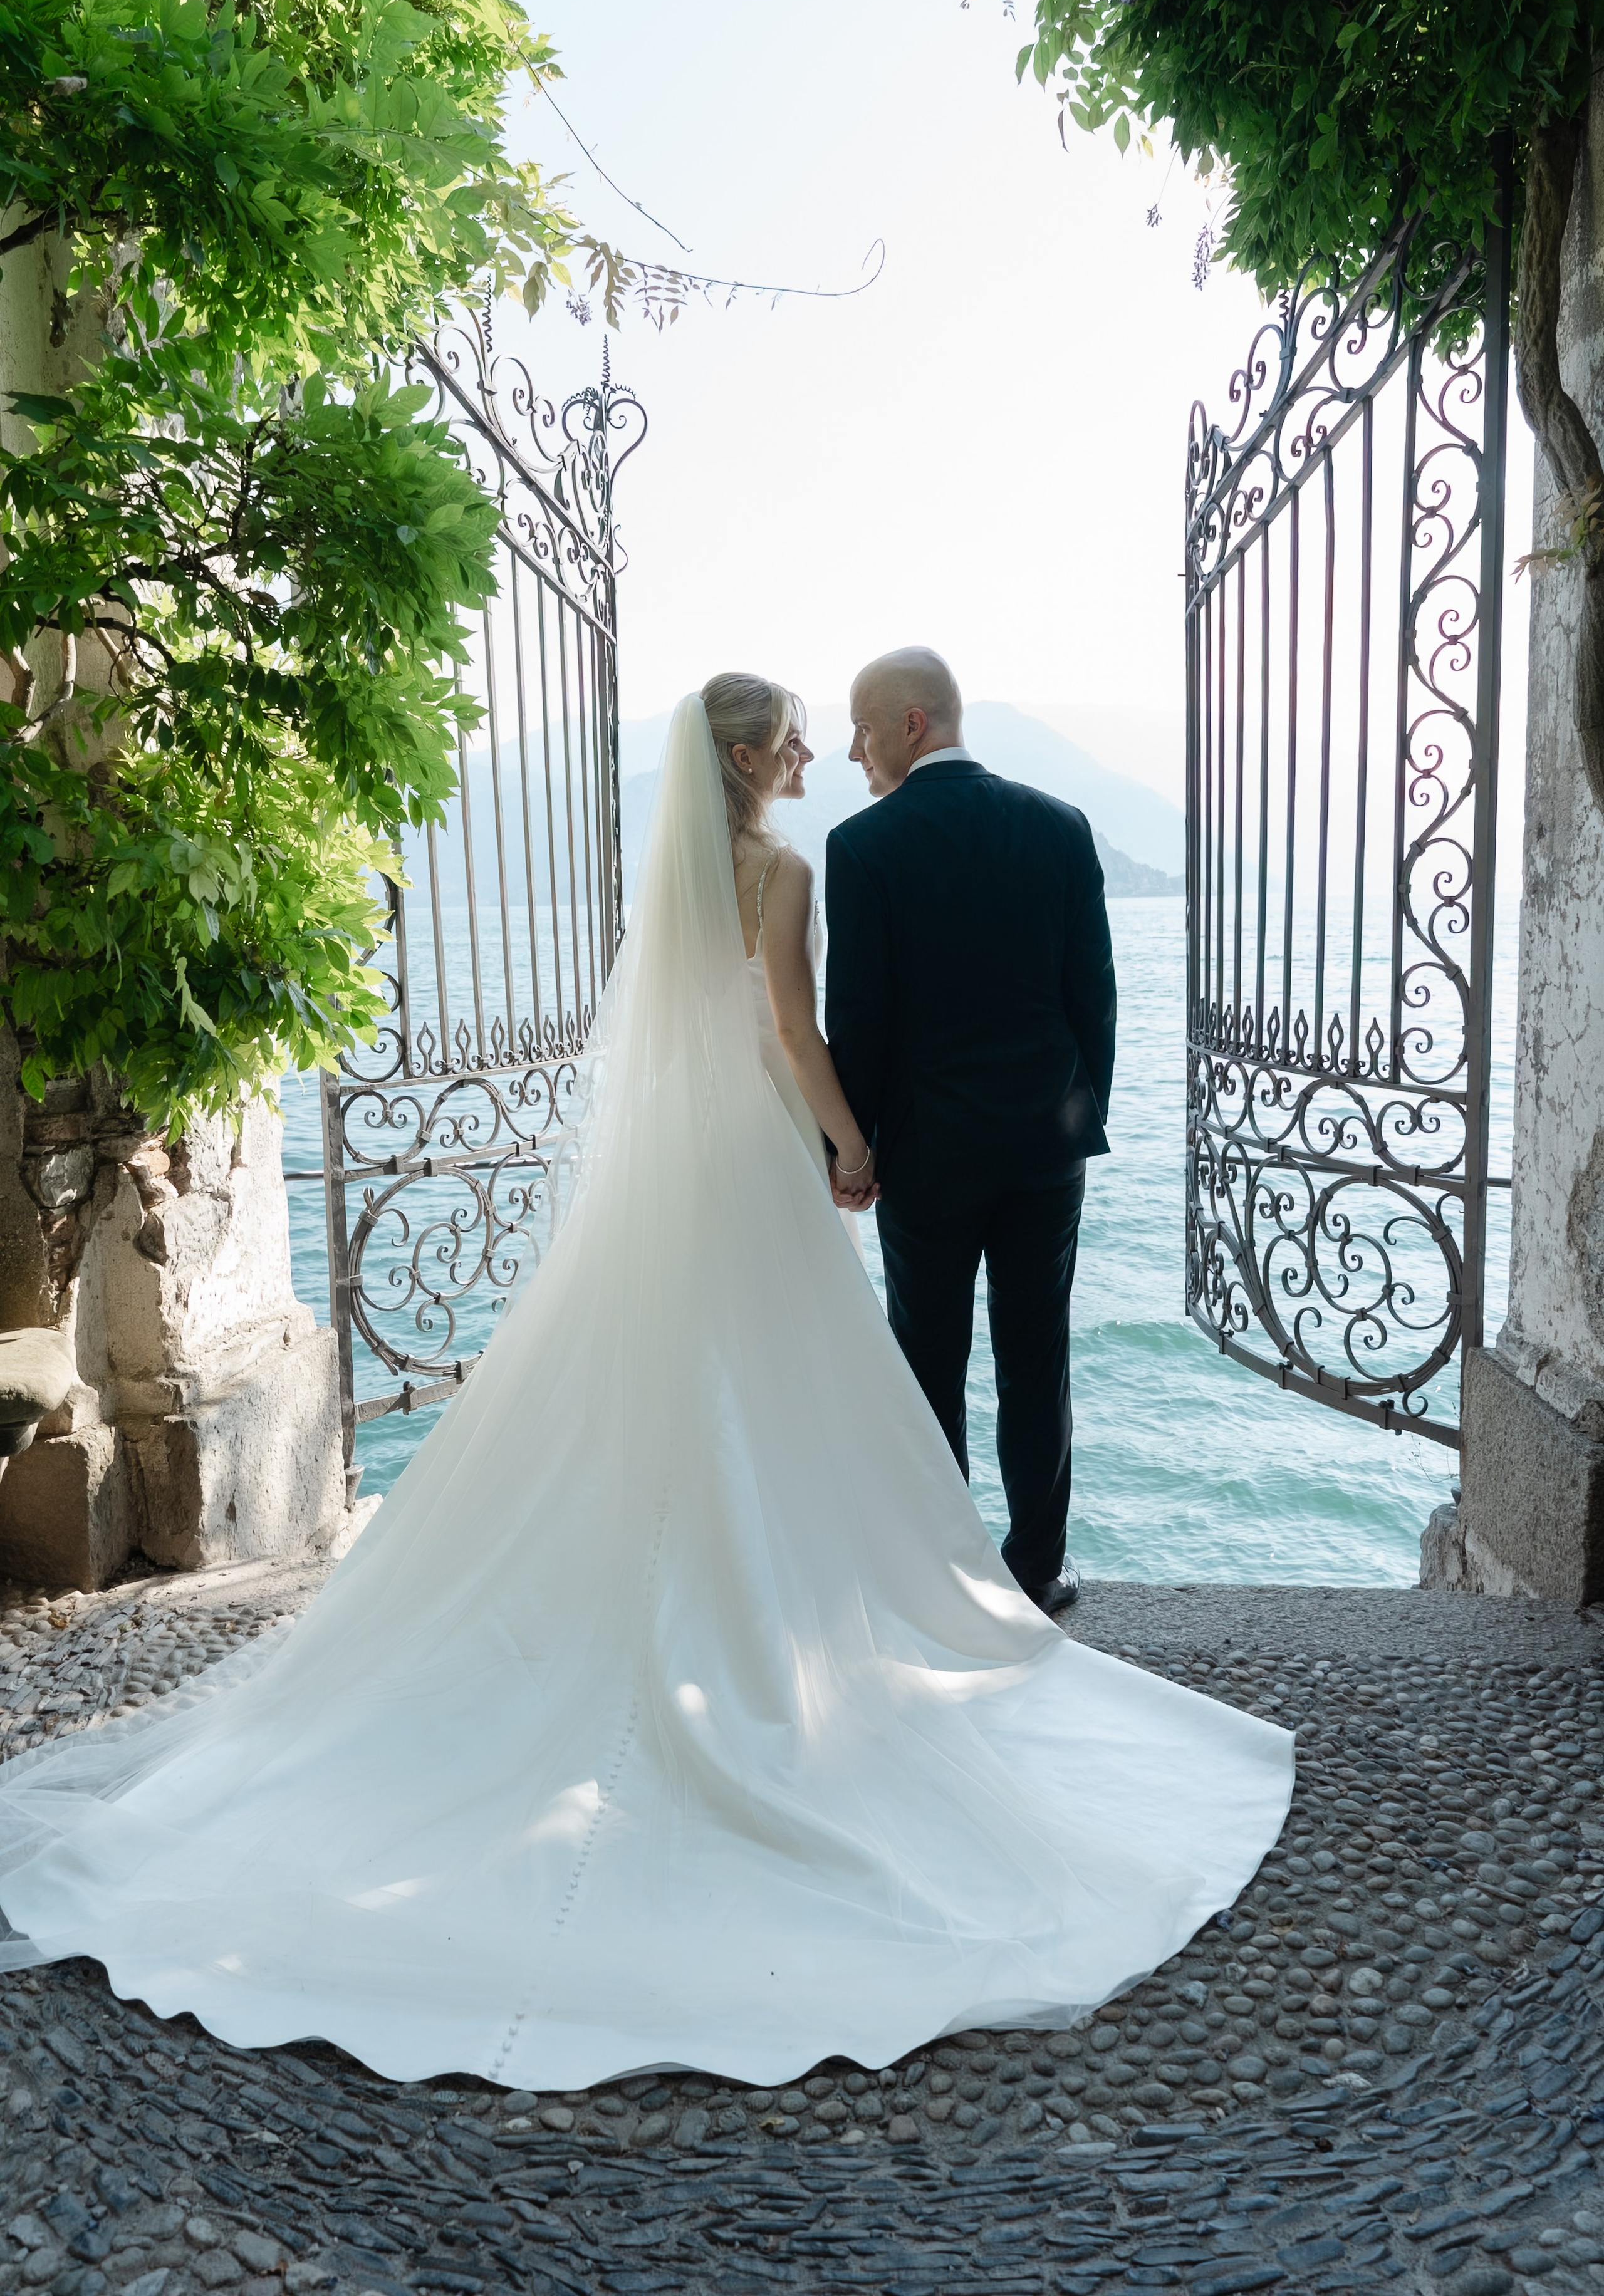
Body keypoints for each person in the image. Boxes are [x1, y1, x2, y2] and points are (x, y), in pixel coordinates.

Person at [0, 681, 1291, 2093]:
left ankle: (669, 1604)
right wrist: (849, 1149)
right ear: (746, 761)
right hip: (770, 1164)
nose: (814, 754)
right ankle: (827, 1618)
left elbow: (701, 1031)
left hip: (676, 1170)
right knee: (797, 1392)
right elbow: (799, 1037)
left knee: (678, 1386)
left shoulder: (680, 873)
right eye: (793, 737)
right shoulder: (790, 869)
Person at [826, 648, 1115, 1615]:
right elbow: (1094, 1002)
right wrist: (1081, 1119)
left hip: (927, 1156)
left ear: (912, 726)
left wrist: (852, 1151)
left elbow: (858, 1020)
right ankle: (1037, 1569)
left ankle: (942, 1573)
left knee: (927, 1364)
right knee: (1038, 1359)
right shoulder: (1061, 828)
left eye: (862, 729)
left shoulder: (863, 847)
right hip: (1045, 1151)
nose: (851, 750)